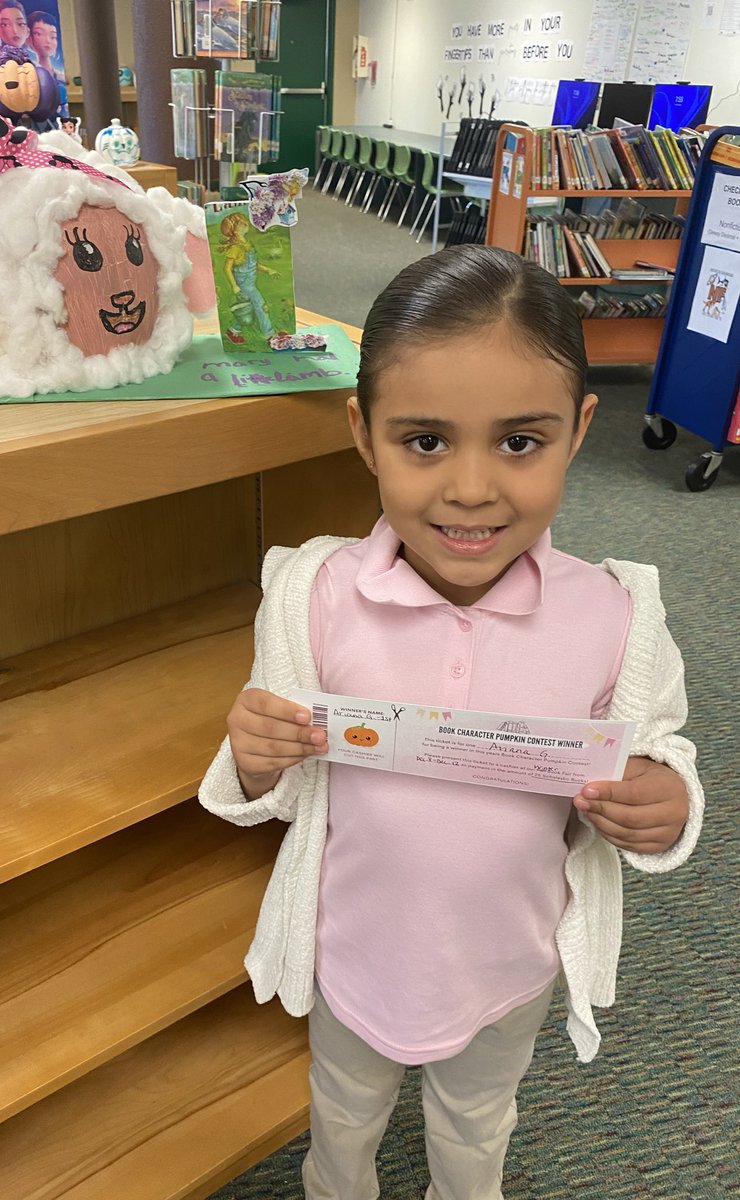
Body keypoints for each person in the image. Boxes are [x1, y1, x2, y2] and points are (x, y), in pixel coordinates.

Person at [198, 245, 704, 1200]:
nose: (471, 489)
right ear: (363, 432)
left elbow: (660, 744)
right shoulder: (312, 593)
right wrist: (253, 755)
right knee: (343, 1110)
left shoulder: (617, 616)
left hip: (508, 962)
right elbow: (273, 782)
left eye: (520, 441)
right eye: (424, 441)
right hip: (354, 947)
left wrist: (665, 804)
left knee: (476, 1125)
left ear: (580, 430)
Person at [218, 210, 277, 344]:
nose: (245, 224)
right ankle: (270, 336)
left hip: (250, 283)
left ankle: (233, 330)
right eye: (240, 223)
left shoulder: (247, 244)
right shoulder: (235, 248)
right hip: (245, 285)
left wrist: (268, 270)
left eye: (244, 221)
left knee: (247, 309)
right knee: (260, 306)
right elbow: (227, 268)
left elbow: (253, 264)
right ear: (234, 230)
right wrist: (234, 287)